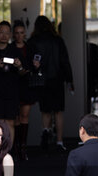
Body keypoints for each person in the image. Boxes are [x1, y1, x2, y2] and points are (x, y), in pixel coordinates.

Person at [28, 15, 74, 152]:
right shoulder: (58, 40)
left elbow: (30, 61)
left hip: (43, 81)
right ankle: (59, 142)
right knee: (58, 112)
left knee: (46, 111)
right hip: (58, 79)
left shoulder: (33, 41)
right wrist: (70, 79)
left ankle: (46, 132)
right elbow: (65, 61)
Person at [12, 20, 37, 160]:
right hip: (13, 85)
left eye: (22, 33)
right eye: (17, 33)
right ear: (13, 34)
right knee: (15, 118)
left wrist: (36, 66)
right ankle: (16, 147)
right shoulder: (10, 48)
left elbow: (35, 66)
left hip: (27, 84)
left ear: (25, 33)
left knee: (24, 116)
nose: (19, 36)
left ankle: (22, 146)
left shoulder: (30, 47)